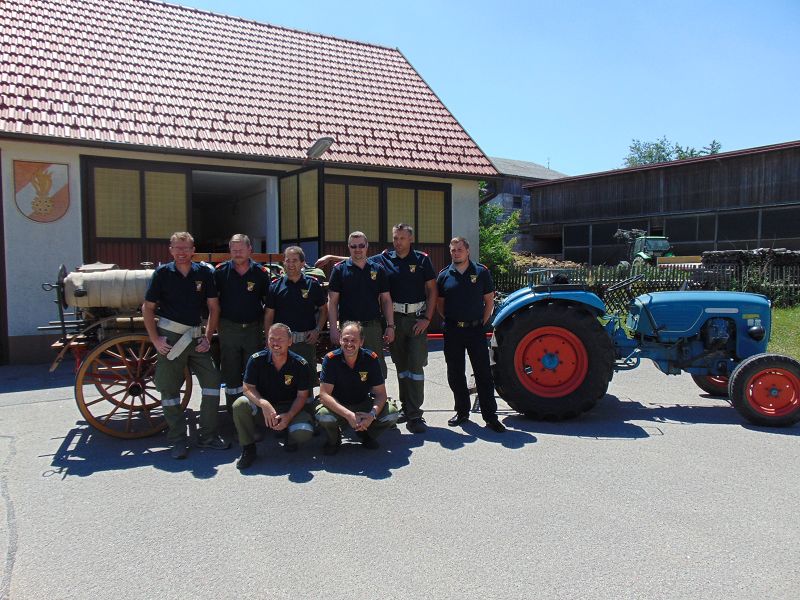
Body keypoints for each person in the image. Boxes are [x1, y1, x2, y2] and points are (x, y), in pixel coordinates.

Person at [317, 224, 436, 433]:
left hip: (396, 322)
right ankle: (355, 412)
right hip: (355, 326)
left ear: (410, 238)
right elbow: (336, 295)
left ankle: (407, 413)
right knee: (398, 367)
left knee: (400, 368)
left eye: (402, 238)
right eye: (395, 238)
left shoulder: (417, 260)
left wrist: (425, 318)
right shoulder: (380, 260)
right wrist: (330, 258)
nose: (398, 241)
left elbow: (428, 290)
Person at [142, 231, 230, 459]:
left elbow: (214, 308)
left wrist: (208, 337)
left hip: (196, 337)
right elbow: (148, 308)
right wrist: (155, 339)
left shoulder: (203, 273)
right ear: (170, 250)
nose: (181, 252)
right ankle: (177, 440)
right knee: (169, 390)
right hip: (170, 340)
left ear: (193, 250)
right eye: (177, 248)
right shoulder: (162, 273)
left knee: (211, 382)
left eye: (186, 248)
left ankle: (208, 436)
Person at [436, 236, 505, 433]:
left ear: (467, 251)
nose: (455, 253)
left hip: (476, 330)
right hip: (453, 330)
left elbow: (489, 302)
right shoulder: (444, 276)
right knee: (455, 373)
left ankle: (490, 416)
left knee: (483, 373)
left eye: (459, 249)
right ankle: (462, 411)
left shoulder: (481, 272)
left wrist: (481, 324)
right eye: (453, 250)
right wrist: (453, 320)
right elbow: (440, 305)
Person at [231, 323, 314, 470]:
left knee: (303, 432)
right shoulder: (256, 360)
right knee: (240, 404)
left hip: (290, 408)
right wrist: (264, 404)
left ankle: (289, 433)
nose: (275, 343)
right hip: (264, 409)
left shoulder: (300, 364)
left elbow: (302, 396)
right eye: (272, 338)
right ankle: (248, 449)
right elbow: (247, 388)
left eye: (280, 339)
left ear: (290, 341)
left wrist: (289, 416)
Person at [315, 321, 398, 454]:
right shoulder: (330, 360)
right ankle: (334, 439)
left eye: (354, 340)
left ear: (361, 342)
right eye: (345, 339)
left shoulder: (371, 359)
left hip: (362, 404)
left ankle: (367, 434)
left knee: (392, 413)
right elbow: (324, 395)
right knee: (323, 415)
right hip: (338, 406)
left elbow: (381, 394)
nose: (349, 344)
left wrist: (371, 415)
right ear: (340, 340)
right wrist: (348, 415)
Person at [213, 234, 271, 409]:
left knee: (252, 371)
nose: (237, 253)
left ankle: (253, 412)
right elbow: (213, 303)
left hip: (253, 329)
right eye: (233, 249)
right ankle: (234, 413)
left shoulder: (260, 273)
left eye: (240, 249)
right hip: (229, 328)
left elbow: (268, 304)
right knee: (230, 371)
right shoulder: (220, 272)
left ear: (249, 249)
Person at [326, 231, 395, 378]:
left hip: (372, 326)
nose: (358, 249)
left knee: (376, 364)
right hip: (348, 327)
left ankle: (379, 397)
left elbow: (386, 300)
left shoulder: (378, 269)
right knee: (349, 364)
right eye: (353, 246)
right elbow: (332, 303)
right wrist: (333, 328)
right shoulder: (339, 270)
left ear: (367, 246)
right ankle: (352, 398)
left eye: (361, 245)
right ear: (349, 247)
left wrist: (390, 326)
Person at [264, 246, 327, 385]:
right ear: (283, 263)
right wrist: (269, 339)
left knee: (307, 381)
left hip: (306, 343)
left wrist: (317, 330)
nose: (291, 264)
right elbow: (268, 316)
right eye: (287, 261)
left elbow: (324, 309)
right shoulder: (275, 286)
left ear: (303, 263)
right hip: (282, 344)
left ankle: (309, 406)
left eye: (295, 260)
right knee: (283, 380)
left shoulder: (313, 284)